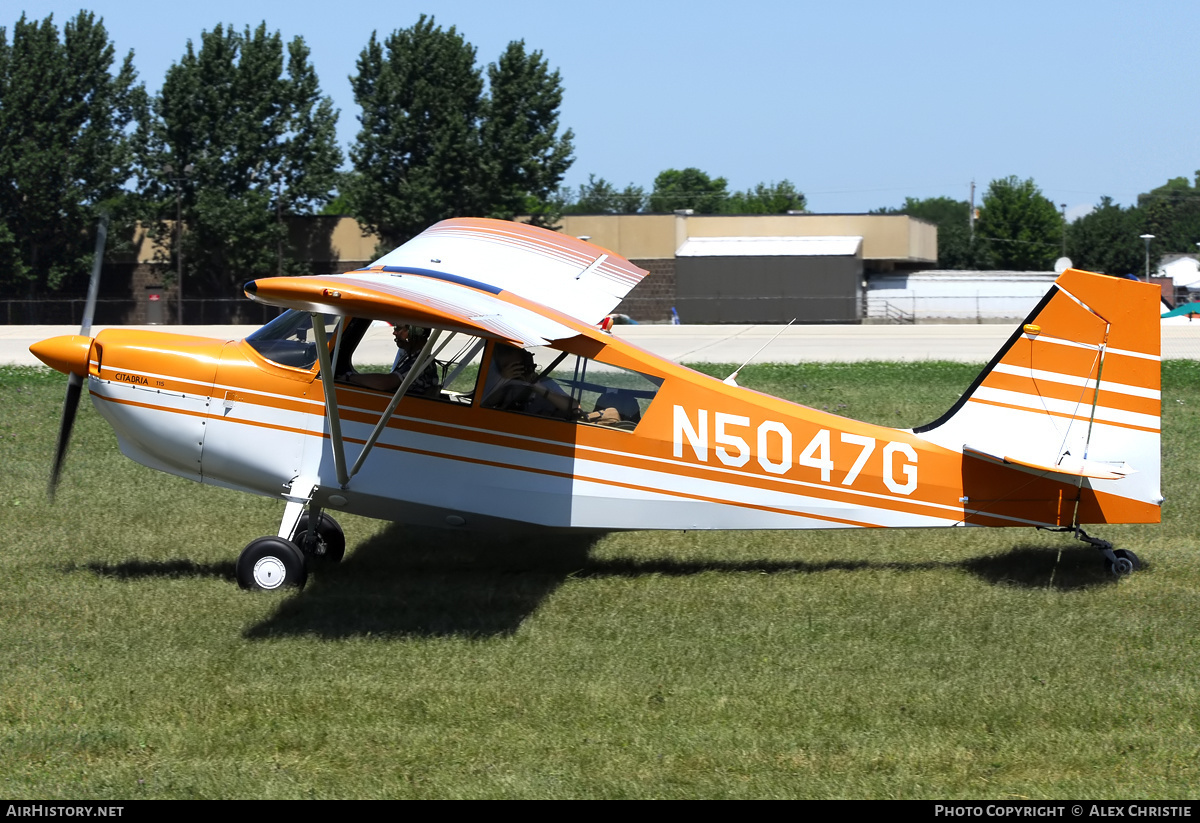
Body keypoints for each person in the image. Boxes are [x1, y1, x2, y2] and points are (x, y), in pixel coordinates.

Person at [482, 343, 580, 418]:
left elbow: (575, 408)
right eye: (507, 367)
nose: (514, 370)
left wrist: (537, 387)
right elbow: (483, 403)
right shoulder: (500, 382)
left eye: (518, 365)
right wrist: (502, 379)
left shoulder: (544, 383)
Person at [345, 324, 440, 397]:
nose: (394, 333)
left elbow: (386, 383)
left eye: (398, 328)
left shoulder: (420, 362)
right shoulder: (411, 357)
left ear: (416, 331)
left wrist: (350, 377)